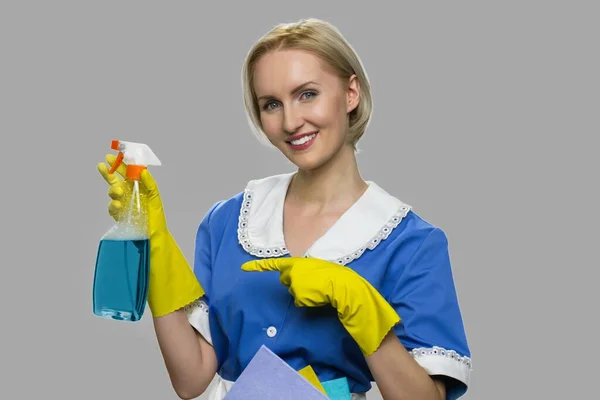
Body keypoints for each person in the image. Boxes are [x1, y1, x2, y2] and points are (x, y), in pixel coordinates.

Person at [98, 18, 472, 400]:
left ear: (350, 93)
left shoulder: (412, 244)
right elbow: (192, 379)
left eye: (307, 94)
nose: (291, 122)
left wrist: (364, 309)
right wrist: (153, 239)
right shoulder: (228, 222)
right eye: (271, 104)